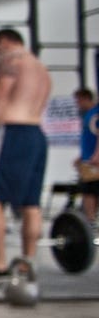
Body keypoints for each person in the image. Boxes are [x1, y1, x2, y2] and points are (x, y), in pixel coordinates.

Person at [0, 27, 51, 282]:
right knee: (31, 203)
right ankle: (27, 263)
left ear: (4, 42)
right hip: (36, 135)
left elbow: (2, 94)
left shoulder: (11, 60)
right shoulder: (40, 68)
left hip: (11, 134)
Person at [74, 87, 98, 223]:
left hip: (92, 160)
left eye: (78, 100)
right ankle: (91, 220)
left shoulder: (95, 114)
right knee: (91, 190)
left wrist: (96, 155)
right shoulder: (88, 114)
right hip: (87, 158)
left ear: (85, 98)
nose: (77, 104)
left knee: (89, 191)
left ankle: (90, 221)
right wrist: (80, 157)